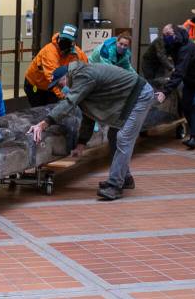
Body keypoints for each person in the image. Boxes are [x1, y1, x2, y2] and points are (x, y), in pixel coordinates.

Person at [28, 61, 154, 201]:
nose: (60, 88)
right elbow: (89, 116)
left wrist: (44, 124)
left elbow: (69, 103)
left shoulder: (83, 76)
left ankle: (115, 186)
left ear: (66, 76)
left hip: (140, 96)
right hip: (128, 99)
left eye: (60, 84)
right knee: (113, 135)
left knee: (123, 138)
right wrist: (81, 143)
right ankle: (125, 178)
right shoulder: (81, 84)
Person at [154, 24, 195, 150]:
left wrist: (165, 92)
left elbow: (179, 72)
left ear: (176, 33)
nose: (166, 37)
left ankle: (194, 137)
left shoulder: (186, 48)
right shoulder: (173, 46)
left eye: (169, 34)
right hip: (191, 79)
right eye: (164, 35)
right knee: (186, 105)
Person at [24, 23, 87, 106]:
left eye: (68, 40)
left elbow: (86, 71)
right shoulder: (50, 51)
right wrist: (67, 97)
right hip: (36, 86)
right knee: (40, 111)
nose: (64, 42)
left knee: (54, 109)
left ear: (73, 42)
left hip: (55, 88)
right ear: (59, 36)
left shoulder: (78, 54)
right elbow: (53, 77)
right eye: (63, 38)